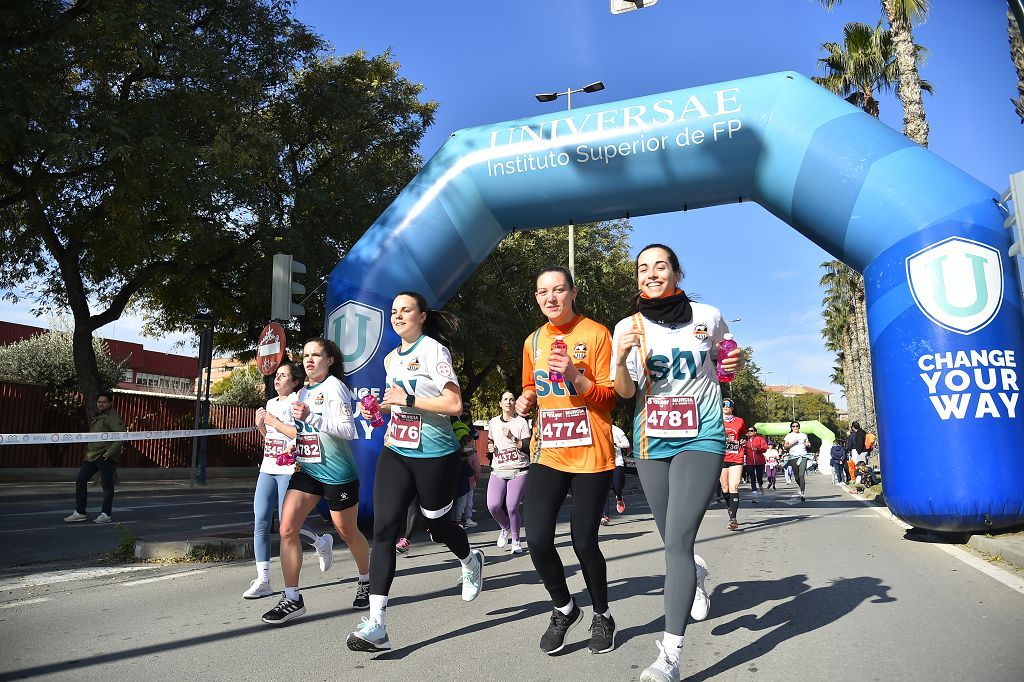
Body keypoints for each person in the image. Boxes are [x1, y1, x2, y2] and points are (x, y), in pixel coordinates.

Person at [611, 243, 743, 682]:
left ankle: (670, 654)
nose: (651, 273)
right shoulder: (627, 326)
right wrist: (618, 357)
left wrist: (734, 363)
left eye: (660, 266)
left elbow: (726, 361)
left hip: (702, 435)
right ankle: (696, 573)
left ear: (676, 273)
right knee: (673, 540)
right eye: (643, 268)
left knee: (677, 543)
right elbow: (625, 393)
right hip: (651, 440)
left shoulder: (708, 316)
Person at [348, 292, 484, 653]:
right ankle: (377, 624)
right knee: (384, 529)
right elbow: (397, 404)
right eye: (394, 311)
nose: (398, 316)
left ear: (422, 316)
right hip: (397, 449)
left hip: (435, 454)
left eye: (405, 310)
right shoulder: (392, 358)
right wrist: (378, 410)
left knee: (437, 525)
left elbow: (453, 405)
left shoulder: (434, 351)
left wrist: (407, 401)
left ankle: (470, 561)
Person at [516, 265, 618, 656]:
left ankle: (602, 615)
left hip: (592, 453)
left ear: (573, 293)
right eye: (543, 292)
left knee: (583, 541)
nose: (551, 298)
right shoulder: (533, 341)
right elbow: (530, 385)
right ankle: (564, 606)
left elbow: (611, 397)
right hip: (549, 451)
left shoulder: (596, 333)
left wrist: (576, 376)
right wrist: (526, 399)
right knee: (538, 538)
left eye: (559, 290)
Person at [260, 339, 370, 625]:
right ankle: (292, 597)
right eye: (306, 356)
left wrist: (313, 417)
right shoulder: (304, 391)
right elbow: (304, 432)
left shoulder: (335, 388)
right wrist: (293, 447)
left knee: (347, 532)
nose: (309, 360)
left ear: (330, 360)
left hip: (338, 474)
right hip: (308, 470)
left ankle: (366, 580)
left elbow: (348, 430)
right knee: (286, 528)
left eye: (316, 355)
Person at [244, 361, 335, 600]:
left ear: (295, 382)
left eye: (283, 376)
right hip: (268, 467)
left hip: (290, 470)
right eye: (276, 376)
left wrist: (274, 422)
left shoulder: (298, 402)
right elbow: (270, 437)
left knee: (288, 523)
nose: (277, 379)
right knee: (261, 521)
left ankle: (320, 542)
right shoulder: (271, 403)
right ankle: (263, 579)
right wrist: (261, 426)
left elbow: (299, 434)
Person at [64, 391, 125, 524]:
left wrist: (110, 451)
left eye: (104, 402)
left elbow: (122, 435)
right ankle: (80, 512)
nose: (101, 404)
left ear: (110, 403)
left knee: (107, 486)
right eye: (99, 402)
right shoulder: (98, 416)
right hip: (91, 456)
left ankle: (106, 514)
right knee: (80, 480)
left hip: (104, 456)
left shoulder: (112, 417)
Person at [486, 391, 531, 554]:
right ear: (500, 403)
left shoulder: (521, 423)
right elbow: (491, 442)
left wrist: (512, 437)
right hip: (498, 469)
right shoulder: (493, 422)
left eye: (512, 399)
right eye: (505, 399)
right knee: (493, 506)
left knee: (512, 507)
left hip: (518, 469)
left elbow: (526, 447)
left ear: (514, 404)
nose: (509, 402)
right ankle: (505, 527)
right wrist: (490, 447)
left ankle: (516, 541)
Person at [719, 398, 746, 530]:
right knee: (725, 488)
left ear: (732, 407)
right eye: (723, 404)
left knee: (734, 486)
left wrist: (742, 441)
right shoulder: (715, 420)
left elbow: (744, 435)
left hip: (736, 456)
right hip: (721, 457)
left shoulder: (739, 421)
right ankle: (729, 506)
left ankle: (733, 519)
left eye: (728, 405)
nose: (725, 406)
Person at [603, 423, 631, 522]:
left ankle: (619, 498)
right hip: (602, 464)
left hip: (616, 463)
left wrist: (615, 444)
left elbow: (627, 444)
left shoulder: (616, 430)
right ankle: (605, 516)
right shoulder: (595, 429)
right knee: (604, 490)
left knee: (617, 486)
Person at [782, 421, 812, 503]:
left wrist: (808, 444)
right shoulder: (788, 435)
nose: (795, 427)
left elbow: (809, 444)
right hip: (793, 456)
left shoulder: (803, 435)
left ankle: (802, 493)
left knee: (801, 475)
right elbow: (785, 446)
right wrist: (791, 444)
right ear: (791, 427)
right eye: (793, 426)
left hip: (803, 456)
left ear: (799, 427)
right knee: (796, 477)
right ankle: (800, 486)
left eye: (797, 426)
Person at [742, 426, 768, 499]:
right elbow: (743, 452)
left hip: (759, 461)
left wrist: (758, 449)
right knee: (752, 477)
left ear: (755, 432)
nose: (749, 432)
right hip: (749, 462)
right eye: (748, 431)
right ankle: (754, 491)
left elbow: (765, 449)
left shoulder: (760, 439)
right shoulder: (745, 441)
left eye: (751, 431)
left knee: (759, 477)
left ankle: (760, 484)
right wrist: (743, 447)